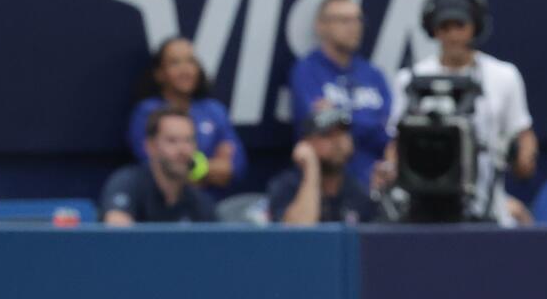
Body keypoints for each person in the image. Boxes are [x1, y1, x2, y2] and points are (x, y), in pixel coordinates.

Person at [386, 0, 533, 224]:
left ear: (475, 27)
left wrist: (523, 157)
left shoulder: (504, 75)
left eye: (460, 26)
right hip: (421, 202)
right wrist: (390, 169)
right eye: (445, 27)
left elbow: (523, 134)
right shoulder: (409, 79)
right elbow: (395, 143)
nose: (453, 35)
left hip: (486, 204)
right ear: (433, 30)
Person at [288, 0, 393, 189]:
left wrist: (342, 115)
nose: (354, 27)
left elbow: (386, 130)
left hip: (378, 177)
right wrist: (366, 121)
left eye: (357, 20)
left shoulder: (373, 74)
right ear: (321, 26)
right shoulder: (307, 70)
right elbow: (321, 128)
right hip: (329, 180)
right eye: (344, 20)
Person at [126, 37, 243, 189]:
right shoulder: (146, 112)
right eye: (175, 63)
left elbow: (236, 168)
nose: (185, 70)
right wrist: (207, 167)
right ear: (159, 73)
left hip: (211, 206)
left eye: (191, 61)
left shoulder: (215, 110)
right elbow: (158, 170)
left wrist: (186, 167)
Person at [100, 109, 218, 224]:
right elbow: (118, 235)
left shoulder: (200, 201)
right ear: (150, 146)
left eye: (189, 140)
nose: (183, 150)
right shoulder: (127, 183)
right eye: (172, 141)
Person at [267, 106, 376, 225]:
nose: (338, 142)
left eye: (343, 133)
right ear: (306, 143)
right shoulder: (287, 186)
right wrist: (311, 168)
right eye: (328, 135)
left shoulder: (357, 189)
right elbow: (297, 233)